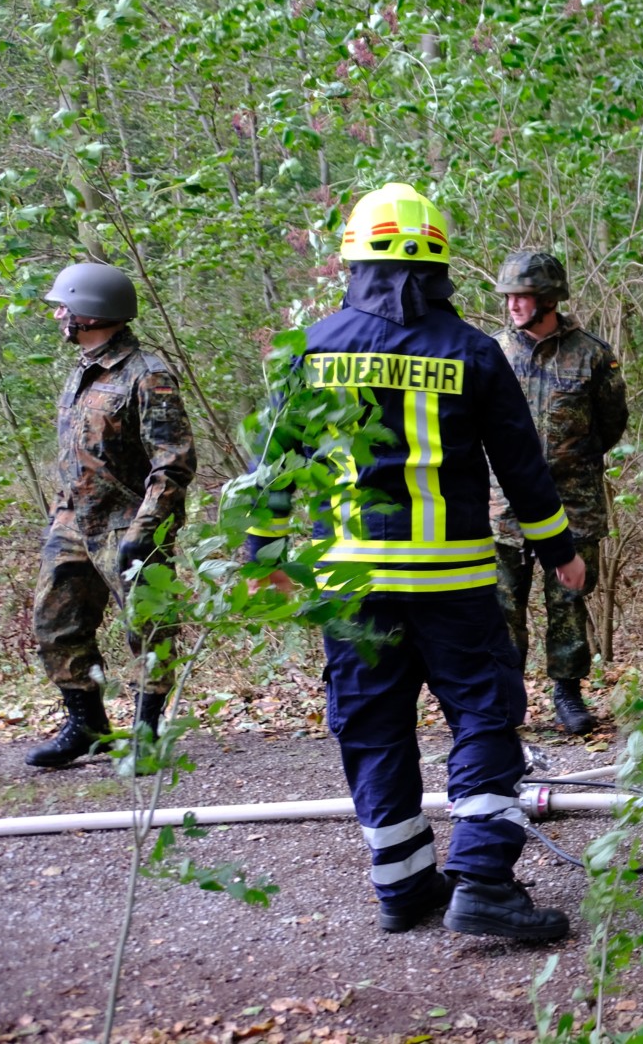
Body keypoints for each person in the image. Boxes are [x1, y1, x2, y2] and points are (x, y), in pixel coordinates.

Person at [246, 183, 580, 940]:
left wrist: (262, 553)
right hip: (453, 582)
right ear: (440, 262)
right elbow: (522, 468)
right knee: (484, 716)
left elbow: (273, 466)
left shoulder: (310, 348)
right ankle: (484, 882)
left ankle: (401, 887)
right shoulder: (475, 351)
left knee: (372, 726)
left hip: (350, 587)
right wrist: (560, 550)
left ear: (351, 259)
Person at [25, 263, 196, 769]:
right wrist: (61, 514)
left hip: (128, 523)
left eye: (65, 306)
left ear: (92, 311)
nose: (59, 314)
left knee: (147, 629)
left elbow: (174, 461)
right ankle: (89, 726)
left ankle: (147, 735)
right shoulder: (83, 368)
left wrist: (145, 530)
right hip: (73, 521)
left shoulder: (148, 375)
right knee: (55, 623)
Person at [489, 250, 629, 736]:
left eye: (521, 295)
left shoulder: (592, 354)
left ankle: (568, 693)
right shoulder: (491, 352)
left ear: (548, 297)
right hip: (500, 508)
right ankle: (506, 702)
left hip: (573, 506)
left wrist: (568, 461)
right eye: (507, 296)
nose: (512, 304)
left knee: (568, 603)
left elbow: (611, 426)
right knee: (503, 608)